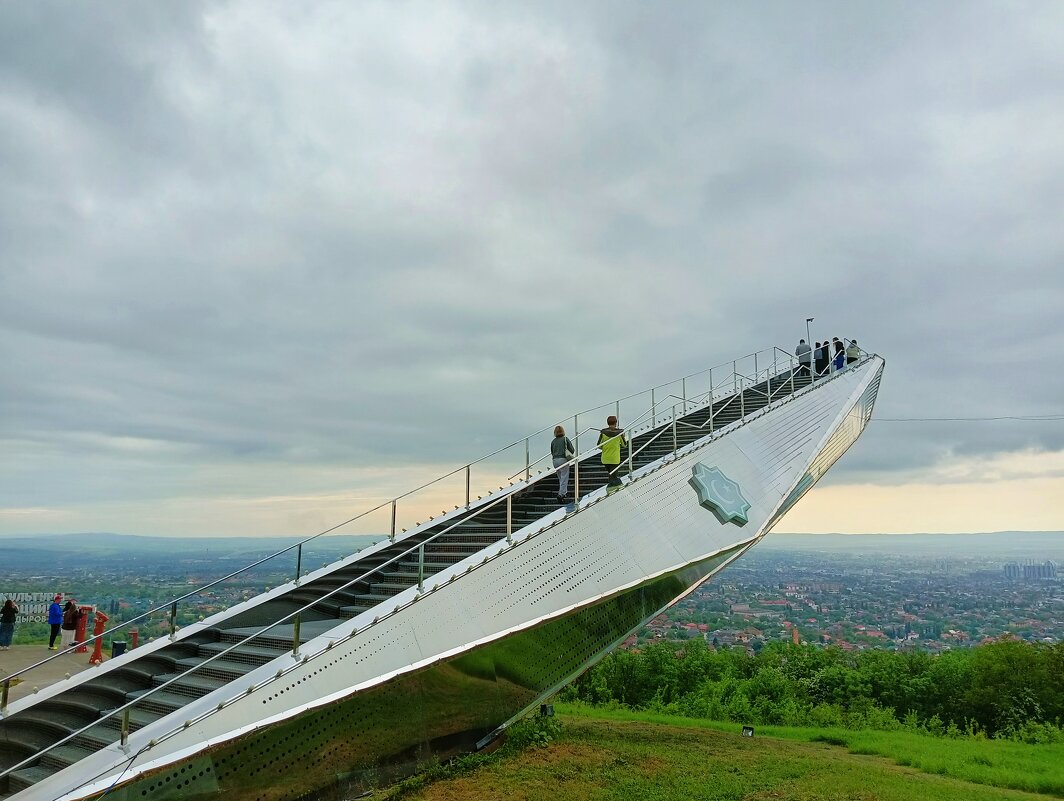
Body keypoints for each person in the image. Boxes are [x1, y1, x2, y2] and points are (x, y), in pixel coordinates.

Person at [597, 416, 627, 486]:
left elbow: (599, 445)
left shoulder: (603, 433)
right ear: (616, 423)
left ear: (607, 423)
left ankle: (611, 488)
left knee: (611, 475)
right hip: (615, 458)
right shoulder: (619, 433)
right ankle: (612, 489)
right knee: (614, 476)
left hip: (605, 458)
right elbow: (624, 445)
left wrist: (605, 448)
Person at [550, 425, 575, 502]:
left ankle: (562, 492)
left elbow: (552, 452)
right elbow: (572, 450)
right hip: (563, 460)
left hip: (555, 461)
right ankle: (562, 494)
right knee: (564, 477)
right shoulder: (565, 439)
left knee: (560, 478)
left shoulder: (553, 441)